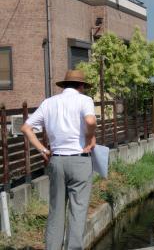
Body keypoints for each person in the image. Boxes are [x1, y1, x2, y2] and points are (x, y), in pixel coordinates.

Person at [21, 70, 97, 250]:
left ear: (64, 85)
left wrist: (43, 150)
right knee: (77, 211)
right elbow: (91, 121)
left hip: (56, 160)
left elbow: (26, 128)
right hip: (79, 160)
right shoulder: (84, 100)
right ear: (81, 86)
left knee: (56, 211)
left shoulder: (49, 103)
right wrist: (90, 138)